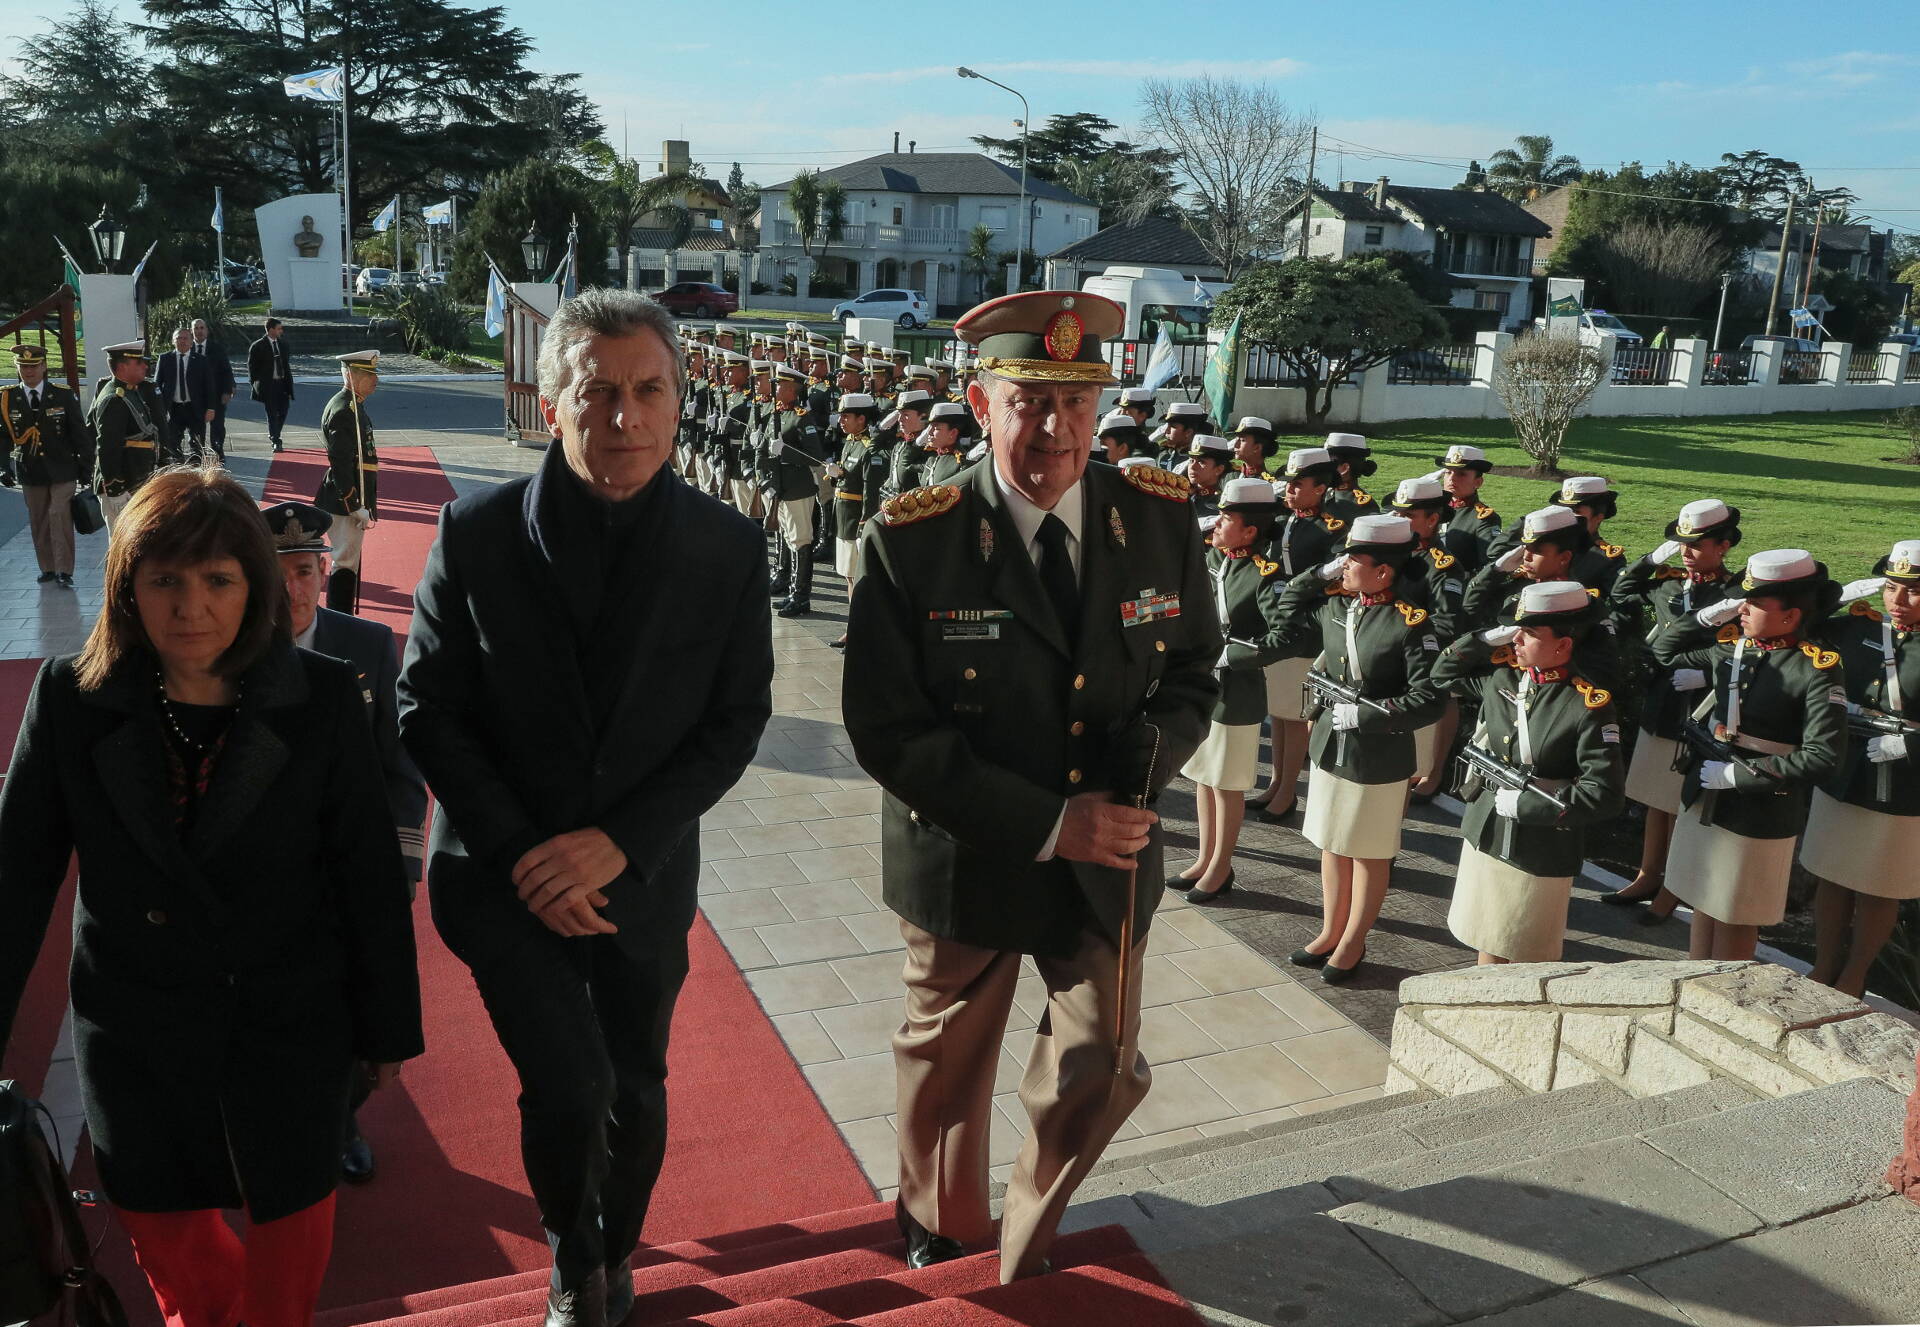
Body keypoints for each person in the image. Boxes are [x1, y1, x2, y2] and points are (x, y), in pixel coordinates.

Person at [398, 288, 773, 1325]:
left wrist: (616, 844)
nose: (623, 416)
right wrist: (528, 855)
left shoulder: (728, 548)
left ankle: (616, 1251)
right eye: (596, 390)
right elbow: (425, 709)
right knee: (569, 1083)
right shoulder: (474, 535)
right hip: (498, 878)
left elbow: (736, 721)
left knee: (638, 1082)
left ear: (678, 402)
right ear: (551, 403)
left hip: (640, 878)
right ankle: (573, 1263)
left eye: (648, 390)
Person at [842, 289, 1218, 1285]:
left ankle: (1023, 1240)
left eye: (1076, 401)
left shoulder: (1159, 518)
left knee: (1103, 1059)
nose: (1053, 428)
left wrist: (1146, 763)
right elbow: (886, 726)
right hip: (967, 848)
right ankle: (943, 1226)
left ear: (1101, 404)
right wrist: (1054, 821)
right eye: (1027, 400)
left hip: (1111, 853)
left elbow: (1193, 671)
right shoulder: (914, 539)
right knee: (949, 1061)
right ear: (981, 396)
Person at [0, 467, 422, 1327]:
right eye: (165, 579)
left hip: (290, 1032)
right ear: (128, 586)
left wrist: (387, 1028)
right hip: (138, 1037)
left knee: (286, 1279)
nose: (191, 605)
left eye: (218, 580)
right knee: (180, 1266)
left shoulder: (322, 701)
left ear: (254, 586)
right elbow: (14, 882)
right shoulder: (74, 704)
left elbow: (366, 874)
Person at [263, 498, 428, 1182]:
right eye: (277, 575)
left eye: (304, 570)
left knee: (358, 1012)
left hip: (350, 867)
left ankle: (338, 1120)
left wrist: (401, 865)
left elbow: (401, 765)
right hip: (266, 873)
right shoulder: (227, 652)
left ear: (324, 572)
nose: (292, 589)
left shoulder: (365, 646)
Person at [1650, 550, 1848, 961]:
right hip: (1705, 791)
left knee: (1736, 915)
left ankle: (1722, 1000)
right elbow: (1664, 650)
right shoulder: (1734, 650)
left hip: (1760, 807)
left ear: (1790, 616)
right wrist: (1706, 617)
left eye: (1755, 604)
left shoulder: (1814, 669)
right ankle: (1693, 981)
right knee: (1701, 898)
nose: (1743, 609)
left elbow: (1823, 755)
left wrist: (1740, 776)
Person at [1270, 514, 1443, 983]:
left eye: (1353, 560)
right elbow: (1285, 604)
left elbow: (1429, 698)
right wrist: (1319, 575)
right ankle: (1330, 929)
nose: (1342, 566)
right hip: (1331, 744)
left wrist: (1367, 715)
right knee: (1331, 840)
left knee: (1367, 849)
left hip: (1378, 756)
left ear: (1383, 571)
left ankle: (1354, 939)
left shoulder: (1410, 623)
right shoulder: (1338, 606)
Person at [1432, 581, 1626, 963]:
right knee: (1485, 939)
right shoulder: (1504, 680)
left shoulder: (1587, 706)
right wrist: (1487, 637)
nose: (1517, 640)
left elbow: (1604, 794)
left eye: (1530, 633)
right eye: (1516, 631)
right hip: (1487, 832)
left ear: (1563, 645)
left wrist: (1528, 805)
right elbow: (1442, 673)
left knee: (1525, 959)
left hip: (1539, 850)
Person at [1604, 499, 1742, 918]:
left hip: (1699, 706)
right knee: (1653, 798)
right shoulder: (1668, 581)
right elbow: (1620, 591)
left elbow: (1736, 648)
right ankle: (1648, 874)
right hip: (1662, 699)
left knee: (1682, 804)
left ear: (1724, 546)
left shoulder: (1733, 593)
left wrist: (1704, 672)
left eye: (1697, 544)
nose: (1686, 551)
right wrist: (1649, 560)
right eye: (1681, 542)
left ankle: (1674, 887)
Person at [1803, 543, 1920, 996]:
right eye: (1891, 587)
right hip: (1846, 765)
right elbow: (1801, 627)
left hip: (1904, 782)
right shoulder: (1860, 626)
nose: (1898, 600)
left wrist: (1910, 744)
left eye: (1912, 591)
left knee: (1878, 883)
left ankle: (1855, 974)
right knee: (1832, 871)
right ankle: (1824, 964)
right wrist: (1840, 596)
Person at [1171, 477, 1286, 901]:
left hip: (1237, 693)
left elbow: (1282, 637)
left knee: (1228, 782)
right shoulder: (1217, 561)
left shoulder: (1263, 575)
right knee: (1203, 777)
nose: (1216, 524)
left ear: (1251, 531)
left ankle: (1222, 866)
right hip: (1205, 684)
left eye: (1227, 518)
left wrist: (1231, 656)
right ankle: (1205, 857)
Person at [1246, 447, 1346, 823]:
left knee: (1295, 712)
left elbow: (1333, 577)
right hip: (1276, 624)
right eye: (1287, 483)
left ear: (1321, 488)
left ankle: (1288, 791)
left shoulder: (1331, 529)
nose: (1289, 490)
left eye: (1298, 484)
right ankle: (1275, 783)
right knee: (1279, 711)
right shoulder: (1282, 519)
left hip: (1304, 628)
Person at [1391, 475, 1470, 799]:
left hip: (1423, 654)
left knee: (1444, 699)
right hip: (1389, 653)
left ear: (1433, 519)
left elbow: (1445, 620)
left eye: (1408, 515)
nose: (1399, 520)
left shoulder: (1443, 566)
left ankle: (1433, 771)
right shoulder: (1393, 551)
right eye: (1397, 513)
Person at [2, 343, 95, 587]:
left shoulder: (62, 394)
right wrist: (3, 467)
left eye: (33, 366)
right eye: (23, 366)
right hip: (30, 469)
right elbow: (2, 436)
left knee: (58, 514)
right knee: (39, 519)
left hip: (62, 468)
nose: (29, 371)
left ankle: (65, 569)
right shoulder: (7, 397)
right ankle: (48, 568)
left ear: (44, 367)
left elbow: (79, 433)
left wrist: (87, 468)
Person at [313, 350, 382, 614]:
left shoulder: (354, 404)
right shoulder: (345, 410)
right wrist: (353, 502)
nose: (375, 380)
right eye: (369, 374)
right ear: (352, 375)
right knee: (344, 560)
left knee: (349, 561)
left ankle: (342, 616)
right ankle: (339, 618)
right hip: (344, 499)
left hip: (351, 496)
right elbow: (340, 461)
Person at [763, 364, 830, 619]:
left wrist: (786, 451)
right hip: (781, 487)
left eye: (781, 385)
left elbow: (816, 457)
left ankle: (801, 597)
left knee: (801, 541)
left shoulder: (803, 418)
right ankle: (792, 591)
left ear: (793, 389)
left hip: (799, 488)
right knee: (789, 539)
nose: (776, 388)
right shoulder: (775, 413)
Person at [90, 340, 167, 534]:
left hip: (135, 480)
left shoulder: (131, 391)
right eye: (138, 362)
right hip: (123, 486)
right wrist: (115, 488)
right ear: (123, 367)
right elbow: (107, 447)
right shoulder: (115, 399)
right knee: (122, 547)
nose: (144, 366)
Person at [155, 327, 216, 463]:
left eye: (185, 338)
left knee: (197, 444)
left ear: (191, 342)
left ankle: (196, 471)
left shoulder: (201, 360)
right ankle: (179, 468)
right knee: (172, 443)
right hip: (174, 408)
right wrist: (159, 409)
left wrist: (211, 408)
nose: (182, 341)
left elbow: (209, 386)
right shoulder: (165, 359)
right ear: (173, 341)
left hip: (195, 408)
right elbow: (157, 385)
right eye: (178, 338)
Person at [1436, 444, 1502, 559]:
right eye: (1448, 472)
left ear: (1478, 482)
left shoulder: (1484, 519)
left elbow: (1489, 562)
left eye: (1461, 474)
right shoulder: (1431, 509)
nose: (1452, 478)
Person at [247, 318, 296, 453]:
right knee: (272, 413)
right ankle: (276, 440)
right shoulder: (258, 346)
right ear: (271, 330)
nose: (282, 331)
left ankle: (274, 434)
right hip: (268, 386)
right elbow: (252, 368)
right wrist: (256, 384)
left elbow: (286, 365)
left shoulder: (284, 345)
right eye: (279, 328)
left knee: (283, 411)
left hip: (282, 384)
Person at [190, 318, 237, 459]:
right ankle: (198, 453)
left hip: (216, 394)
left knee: (217, 425)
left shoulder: (217, 348)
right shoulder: (187, 348)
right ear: (192, 331)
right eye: (196, 328)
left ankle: (217, 451)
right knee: (197, 426)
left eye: (202, 328)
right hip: (195, 396)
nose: (199, 331)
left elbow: (226, 371)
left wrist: (228, 390)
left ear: (207, 330)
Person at [1323, 432, 1379, 519]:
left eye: (1328, 463)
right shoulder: (1323, 492)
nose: (1322, 467)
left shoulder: (1361, 507)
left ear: (1344, 469)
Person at [920, 402, 974, 486]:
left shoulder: (961, 464)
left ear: (952, 433)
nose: (930, 432)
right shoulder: (932, 458)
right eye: (930, 427)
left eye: (936, 428)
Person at [1185, 434, 1232, 522]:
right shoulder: (1184, 494)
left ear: (1219, 469)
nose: (1193, 466)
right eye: (1191, 460)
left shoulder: (1223, 503)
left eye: (1201, 462)